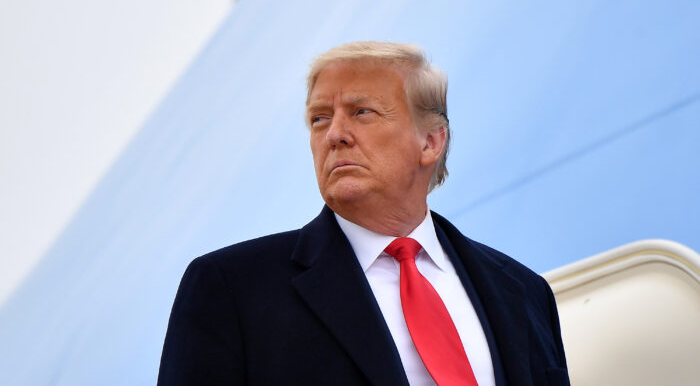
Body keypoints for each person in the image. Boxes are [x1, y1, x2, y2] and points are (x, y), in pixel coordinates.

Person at [157, 42, 570, 385]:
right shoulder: (232, 289)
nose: (334, 134)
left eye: (361, 112)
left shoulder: (526, 293)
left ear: (430, 141)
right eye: (319, 119)